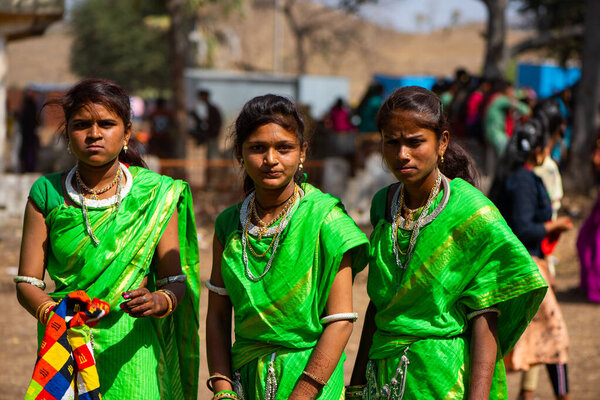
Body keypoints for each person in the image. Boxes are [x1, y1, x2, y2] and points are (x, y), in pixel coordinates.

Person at [349, 86, 547, 400]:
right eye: (392, 142)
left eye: (415, 142)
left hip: (441, 379)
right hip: (380, 378)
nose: (402, 154)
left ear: (442, 142)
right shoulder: (382, 205)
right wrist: (357, 385)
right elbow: (380, 302)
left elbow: (485, 313)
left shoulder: (471, 211)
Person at [14, 78, 200, 399]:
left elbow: (175, 281)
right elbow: (26, 282)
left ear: (127, 133)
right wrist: (55, 315)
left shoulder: (156, 194)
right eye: (82, 125)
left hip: (133, 351)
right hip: (64, 347)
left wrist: (158, 300)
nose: (94, 134)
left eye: (107, 124)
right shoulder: (46, 192)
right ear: (68, 134)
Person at [206, 94, 369, 400]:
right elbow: (216, 317)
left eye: (284, 148)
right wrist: (223, 389)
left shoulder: (327, 220)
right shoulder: (228, 225)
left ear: (302, 152)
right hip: (246, 385)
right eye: (257, 148)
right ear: (239, 154)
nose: (271, 160)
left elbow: (341, 321)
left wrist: (302, 394)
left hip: (313, 384)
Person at [490, 119, 572, 400]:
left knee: (532, 339)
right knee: (555, 337)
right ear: (537, 149)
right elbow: (523, 228)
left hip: (522, 265)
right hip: (528, 266)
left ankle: (527, 394)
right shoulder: (523, 180)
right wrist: (554, 226)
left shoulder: (510, 177)